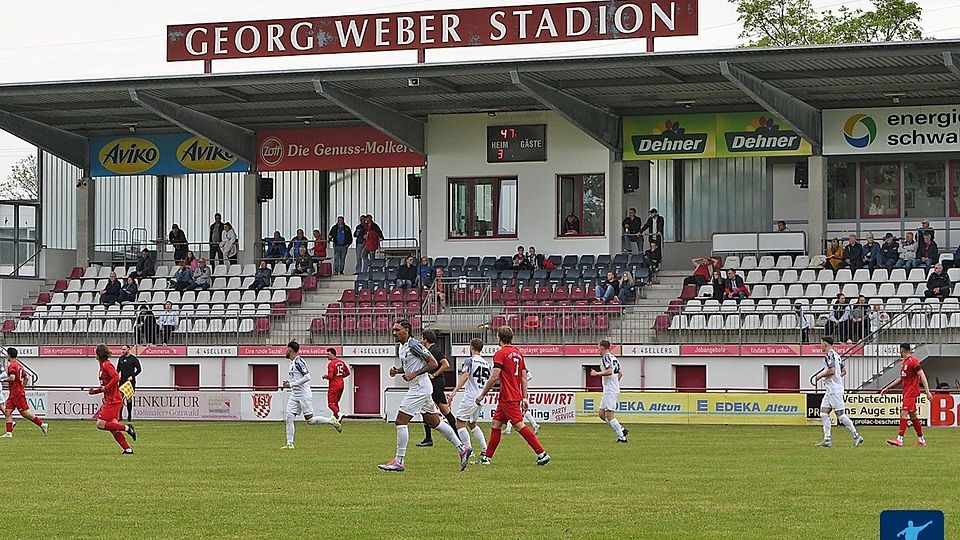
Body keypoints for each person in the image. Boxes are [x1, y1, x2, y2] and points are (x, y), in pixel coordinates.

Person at [378, 320, 471, 473]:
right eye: (393, 330)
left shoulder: (414, 345)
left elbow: (433, 363)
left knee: (400, 421)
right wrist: (398, 370)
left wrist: (414, 374)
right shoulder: (403, 347)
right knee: (435, 423)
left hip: (420, 388)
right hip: (421, 387)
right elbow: (412, 365)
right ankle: (462, 448)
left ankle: (399, 461)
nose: (393, 333)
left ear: (406, 330)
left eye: (397, 330)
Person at [475, 326, 550, 466]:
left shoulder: (500, 353)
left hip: (508, 396)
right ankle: (487, 459)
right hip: (510, 395)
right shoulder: (518, 353)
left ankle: (542, 453)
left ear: (499, 338)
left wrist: (482, 394)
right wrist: (525, 397)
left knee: (519, 426)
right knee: (496, 425)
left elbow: (494, 377)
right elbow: (523, 377)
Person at [280, 341, 342, 449]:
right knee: (289, 417)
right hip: (295, 394)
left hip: (304, 395)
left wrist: (292, 384)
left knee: (310, 421)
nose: (285, 351)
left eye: (287, 349)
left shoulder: (299, 362)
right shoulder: (292, 363)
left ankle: (331, 420)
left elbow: (307, 377)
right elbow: (296, 379)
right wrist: (289, 384)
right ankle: (290, 444)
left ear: (290, 350)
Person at [812, 337, 863, 448]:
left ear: (825, 344)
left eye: (820, 343)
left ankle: (856, 436)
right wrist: (837, 379)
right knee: (824, 413)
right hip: (831, 389)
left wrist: (819, 376)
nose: (820, 346)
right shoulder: (837, 355)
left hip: (834, 390)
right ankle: (827, 439)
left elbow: (832, 371)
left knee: (840, 415)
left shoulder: (829, 355)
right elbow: (843, 371)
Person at [881, 343, 933, 447]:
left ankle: (900, 439)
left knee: (903, 414)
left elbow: (922, 375)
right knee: (913, 416)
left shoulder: (913, 361)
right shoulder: (904, 363)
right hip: (907, 392)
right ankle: (921, 440)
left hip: (911, 392)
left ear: (903, 350)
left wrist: (927, 391)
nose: (899, 353)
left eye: (900, 350)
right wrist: (888, 387)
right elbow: (901, 378)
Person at [88, 344, 136, 454]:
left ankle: (127, 428)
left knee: (100, 424)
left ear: (98, 355)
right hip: (111, 399)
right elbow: (106, 385)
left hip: (113, 400)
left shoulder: (106, 365)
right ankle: (127, 449)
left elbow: (116, 377)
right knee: (113, 427)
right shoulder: (103, 366)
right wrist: (95, 391)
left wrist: (106, 388)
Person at [447, 338, 490, 458]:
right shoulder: (486, 364)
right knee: (472, 423)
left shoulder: (469, 361)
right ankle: (485, 449)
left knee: (459, 423)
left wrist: (454, 392)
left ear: (471, 348)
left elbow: (465, 376)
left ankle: (467, 450)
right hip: (480, 397)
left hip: (471, 396)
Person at [416, 331, 459, 447]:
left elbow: (446, 364)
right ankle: (428, 438)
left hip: (436, 383)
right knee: (425, 410)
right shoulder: (429, 351)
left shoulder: (435, 350)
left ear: (425, 339)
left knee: (444, 411)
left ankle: (457, 436)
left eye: (422, 338)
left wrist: (434, 374)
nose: (421, 340)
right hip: (432, 384)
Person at [2, 347, 48, 438]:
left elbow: (12, 378)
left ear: (9, 355)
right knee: (7, 412)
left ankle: (42, 424)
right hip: (15, 393)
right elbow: (26, 377)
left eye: (7, 354)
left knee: (25, 413)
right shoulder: (19, 365)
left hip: (17, 393)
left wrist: (2, 380)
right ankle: (9, 433)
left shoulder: (12, 366)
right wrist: (22, 387)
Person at [590, 340, 627, 443]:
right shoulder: (613, 357)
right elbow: (620, 373)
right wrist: (615, 383)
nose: (597, 350)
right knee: (601, 414)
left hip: (610, 390)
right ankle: (621, 428)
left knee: (609, 415)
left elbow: (610, 371)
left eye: (598, 347)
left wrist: (596, 374)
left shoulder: (606, 357)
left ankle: (622, 437)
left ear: (602, 347)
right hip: (610, 389)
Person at [322, 348, 350, 421]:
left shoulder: (331, 364)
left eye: (328, 354)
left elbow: (330, 376)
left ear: (333, 354)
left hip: (334, 385)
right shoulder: (341, 362)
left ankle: (339, 414)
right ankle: (337, 419)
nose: (327, 356)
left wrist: (325, 376)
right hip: (341, 384)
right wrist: (340, 377)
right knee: (336, 403)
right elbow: (348, 372)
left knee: (330, 404)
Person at [116, 345, 142, 423]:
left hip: (130, 381)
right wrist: (116, 378)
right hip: (122, 380)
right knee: (120, 398)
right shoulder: (121, 359)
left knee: (129, 398)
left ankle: (129, 416)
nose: (122, 351)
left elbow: (139, 370)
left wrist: (132, 376)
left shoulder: (133, 359)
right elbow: (117, 370)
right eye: (122, 349)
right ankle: (119, 416)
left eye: (124, 349)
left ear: (128, 349)